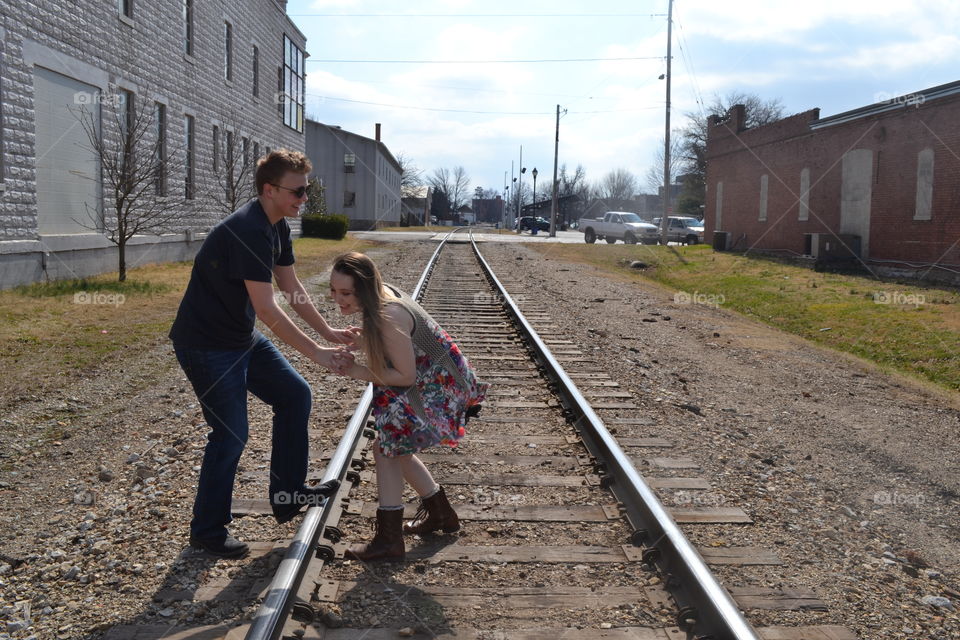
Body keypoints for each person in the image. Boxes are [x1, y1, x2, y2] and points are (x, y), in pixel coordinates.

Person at [169, 150, 358, 558]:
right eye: (298, 190)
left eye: (307, 190)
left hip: (237, 338)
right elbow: (268, 308)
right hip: (205, 345)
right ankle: (207, 530)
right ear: (269, 190)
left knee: (294, 395)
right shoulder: (249, 230)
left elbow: (292, 290)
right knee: (232, 434)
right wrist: (318, 352)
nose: (304, 198)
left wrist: (328, 331)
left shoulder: (276, 227)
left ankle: (287, 494)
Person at [329, 252, 488, 562]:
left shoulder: (388, 316)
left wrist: (354, 370)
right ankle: (440, 512)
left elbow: (404, 375)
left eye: (346, 293)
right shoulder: (381, 297)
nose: (338, 299)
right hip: (436, 380)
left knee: (386, 448)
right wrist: (364, 342)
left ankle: (389, 540)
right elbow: (399, 347)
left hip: (439, 390)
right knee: (392, 447)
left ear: (365, 288)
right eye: (333, 291)